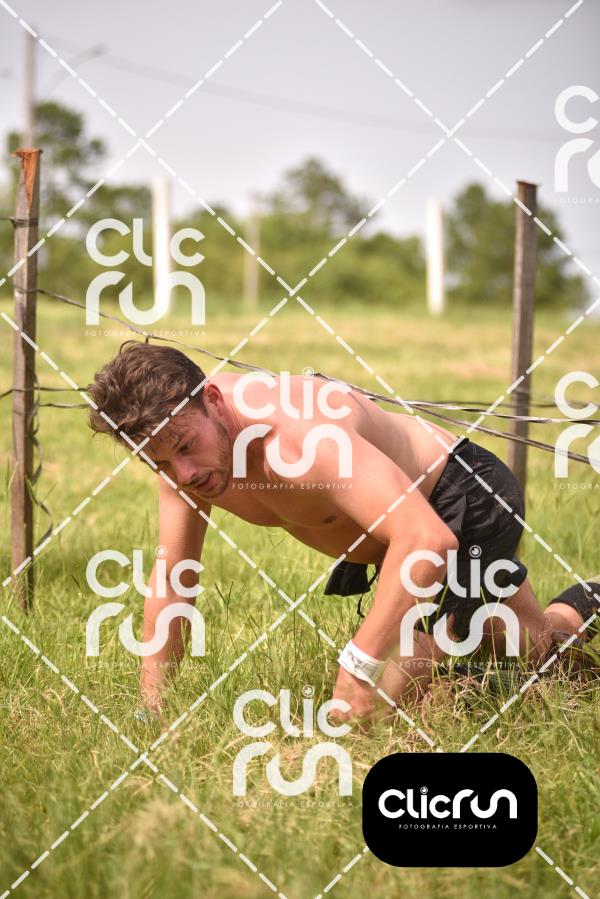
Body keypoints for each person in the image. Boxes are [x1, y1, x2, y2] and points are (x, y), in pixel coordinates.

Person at [87, 342, 600, 718]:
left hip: (462, 497)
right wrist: (151, 708)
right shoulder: (180, 454)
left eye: (184, 446)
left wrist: (358, 664)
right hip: (401, 541)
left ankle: (463, 672)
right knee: (536, 649)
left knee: (375, 707)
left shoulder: (302, 438)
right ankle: (579, 609)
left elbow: (427, 538)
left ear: (214, 400)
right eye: (157, 462)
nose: (182, 474)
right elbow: (174, 579)